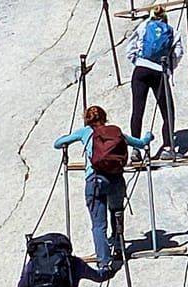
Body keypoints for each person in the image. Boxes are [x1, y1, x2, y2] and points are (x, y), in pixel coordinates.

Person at [53, 103, 131, 274]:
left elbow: (57, 143)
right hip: (116, 179)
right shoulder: (114, 132)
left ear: (87, 119)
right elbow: (137, 142)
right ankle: (118, 246)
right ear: (105, 117)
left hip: (95, 179)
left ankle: (104, 263)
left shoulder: (85, 132)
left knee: (98, 225)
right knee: (117, 212)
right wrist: (147, 138)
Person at [129, 6, 178, 151]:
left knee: (137, 110)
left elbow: (130, 49)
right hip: (159, 72)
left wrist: (138, 62)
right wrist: (168, 69)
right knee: (167, 110)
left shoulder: (143, 26)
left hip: (140, 70)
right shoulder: (172, 31)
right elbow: (178, 54)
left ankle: (135, 149)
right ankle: (168, 147)